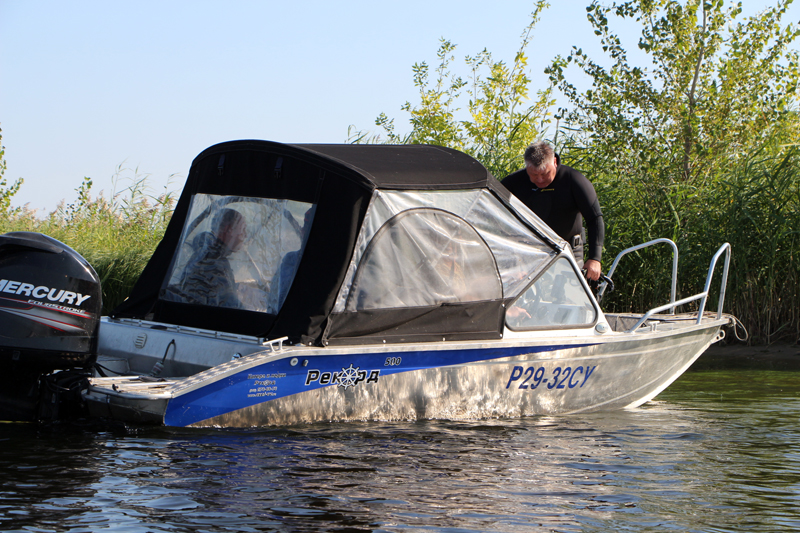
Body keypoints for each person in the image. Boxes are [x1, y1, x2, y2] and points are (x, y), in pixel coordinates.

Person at [502, 141, 605, 281]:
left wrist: (595, 258)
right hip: (528, 252)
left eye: (545, 174)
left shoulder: (574, 180)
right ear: (527, 167)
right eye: (534, 174)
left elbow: (595, 218)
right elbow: (491, 211)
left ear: (555, 162)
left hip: (568, 250)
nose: (539, 180)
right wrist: (512, 262)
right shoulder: (514, 182)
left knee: (566, 298)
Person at [172, 208, 247, 308]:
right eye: (243, 230)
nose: (245, 235)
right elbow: (226, 306)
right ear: (228, 229)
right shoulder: (211, 259)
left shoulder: (212, 254)